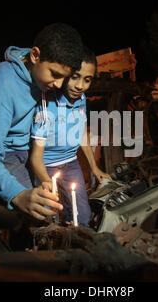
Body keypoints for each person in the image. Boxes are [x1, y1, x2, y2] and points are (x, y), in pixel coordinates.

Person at [0, 23, 85, 221]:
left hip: (27, 152)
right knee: (39, 217)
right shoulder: (2, 87)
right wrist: (18, 194)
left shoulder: (41, 78)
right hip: (3, 156)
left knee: (56, 205)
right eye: (55, 74)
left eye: (64, 78)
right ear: (35, 55)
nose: (58, 85)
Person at [30, 46, 111, 226]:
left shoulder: (81, 99)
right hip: (47, 168)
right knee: (51, 220)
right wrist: (46, 182)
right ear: (65, 73)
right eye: (75, 77)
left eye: (87, 80)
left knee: (81, 217)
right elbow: (35, 157)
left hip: (71, 164)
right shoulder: (47, 104)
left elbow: (80, 133)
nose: (80, 86)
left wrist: (94, 168)